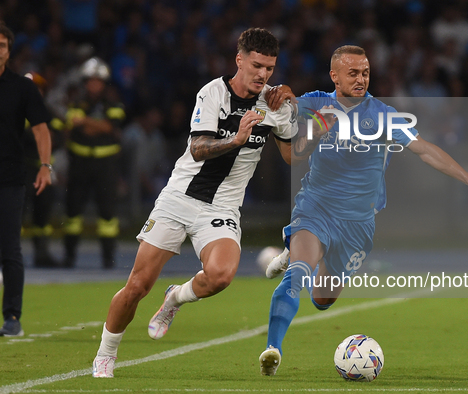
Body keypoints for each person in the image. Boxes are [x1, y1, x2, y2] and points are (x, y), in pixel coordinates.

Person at [258, 45, 468, 376]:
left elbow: (424, 150)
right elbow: (278, 102)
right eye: (353, 73)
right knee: (297, 272)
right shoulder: (315, 102)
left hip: (357, 224)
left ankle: (304, 255)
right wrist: (281, 93)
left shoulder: (382, 115)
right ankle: (273, 349)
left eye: (365, 72)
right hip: (316, 207)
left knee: (323, 299)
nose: (361, 79)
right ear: (335, 76)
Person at [92, 27, 296, 378]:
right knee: (138, 285)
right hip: (179, 198)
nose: (263, 75)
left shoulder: (274, 104)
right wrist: (237, 139)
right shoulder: (213, 93)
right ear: (240, 60)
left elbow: (293, 157)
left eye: (270, 69)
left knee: (220, 276)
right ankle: (105, 355)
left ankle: (175, 298)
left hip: (222, 209)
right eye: (257, 65)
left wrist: (296, 109)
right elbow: (199, 148)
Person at [0, 24, 53, 337]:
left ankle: (12, 318)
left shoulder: (22, 87)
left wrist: (45, 165)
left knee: (9, 249)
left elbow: (41, 129)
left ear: (9, 51)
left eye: (3, 46)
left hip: (9, 178)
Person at [62, 57, 125, 269]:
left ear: (104, 82)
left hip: (105, 165)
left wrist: (87, 122)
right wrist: (99, 125)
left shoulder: (114, 103)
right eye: (90, 80)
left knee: (107, 214)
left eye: (98, 81)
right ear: (85, 81)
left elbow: (109, 127)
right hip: (79, 163)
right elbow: (78, 125)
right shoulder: (76, 101)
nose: (94, 85)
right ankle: (69, 257)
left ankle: (108, 259)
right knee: (73, 213)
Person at [22, 72, 63, 268]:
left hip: (43, 169)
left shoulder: (48, 111)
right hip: (20, 169)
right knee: (15, 214)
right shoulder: (12, 110)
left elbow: (60, 137)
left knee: (43, 214)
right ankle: (9, 254)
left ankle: (42, 253)